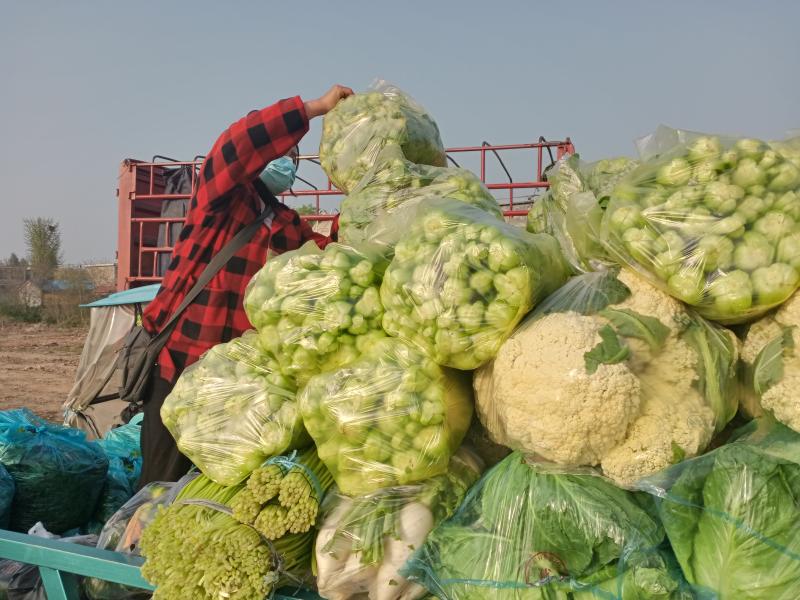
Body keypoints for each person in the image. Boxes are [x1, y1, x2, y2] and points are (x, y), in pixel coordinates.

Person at [137, 85, 354, 487]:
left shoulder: (285, 224)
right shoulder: (220, 197)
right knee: (158, 488)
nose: (287, 163)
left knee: (210, 491)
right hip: (179, 369)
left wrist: (359, 195)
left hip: (236, 386)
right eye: (283, 153)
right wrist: (315, 108)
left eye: (294, 160)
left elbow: (333, 256)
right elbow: (237, 143)